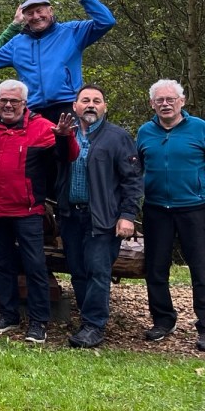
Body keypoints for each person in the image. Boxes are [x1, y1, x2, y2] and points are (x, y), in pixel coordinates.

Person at [0, 80, 78, 346]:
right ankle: (8, 314)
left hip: (28, 210)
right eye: (4, 101)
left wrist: (65, 136)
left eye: (14, 101)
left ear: (25, 103)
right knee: (2, 264)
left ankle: (38, 322)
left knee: (35, 266)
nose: (8, 105)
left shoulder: (44, 128)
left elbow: (69, 156)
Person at [55, 84, 142, 348]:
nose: (91, 105)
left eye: (97, 101)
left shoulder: (117, 137)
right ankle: (86, 318)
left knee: (98, 271)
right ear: (75, 106)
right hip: (71, 215)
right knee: (78, 270)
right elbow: (54, 168)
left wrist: (127, 214)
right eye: (85, 100)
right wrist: (60, 138)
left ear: (104, 107)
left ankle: (94, 326)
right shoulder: (65, 133)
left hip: (102, 217)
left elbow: (132, 180)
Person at [136, 79, 205, 352]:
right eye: (160, 100)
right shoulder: (144, 132)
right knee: (156, 268)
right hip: (155, 209)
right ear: (152, 104)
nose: (165, 104)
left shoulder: (199, 128)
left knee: (201, 269)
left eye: (170, 99)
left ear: (182, 101)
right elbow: (134, 172)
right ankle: (163, 320)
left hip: (195, 208)